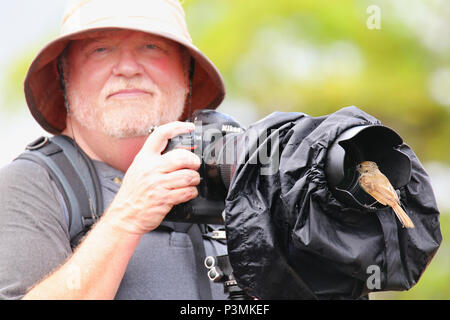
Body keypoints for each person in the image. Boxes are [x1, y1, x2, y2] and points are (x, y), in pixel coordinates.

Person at [0, 0, 228, 300]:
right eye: (101, 49)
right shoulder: (32, 185)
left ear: (187, 71)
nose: (128, 68)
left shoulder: (230, 181)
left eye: (151, 46)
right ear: (64, 76)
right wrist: (128, 216)